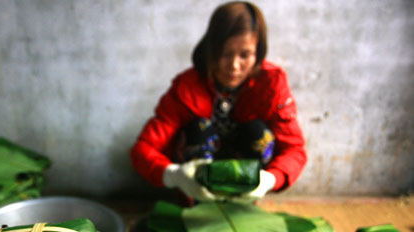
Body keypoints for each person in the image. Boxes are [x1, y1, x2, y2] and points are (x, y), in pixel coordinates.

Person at [130, 1, 307, 203]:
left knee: (257, 134)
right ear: (211, 48)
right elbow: (143, 150)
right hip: (197, 190)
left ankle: (244, 203)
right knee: (199, 129)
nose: (234, 65)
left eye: (245, 55)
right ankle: (195, 203)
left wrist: (270, 179)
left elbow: (294, 149)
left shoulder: (271, 85)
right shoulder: (187, 87)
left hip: (245, 186)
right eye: (226, 53)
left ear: (258, 52)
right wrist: (174, 175)